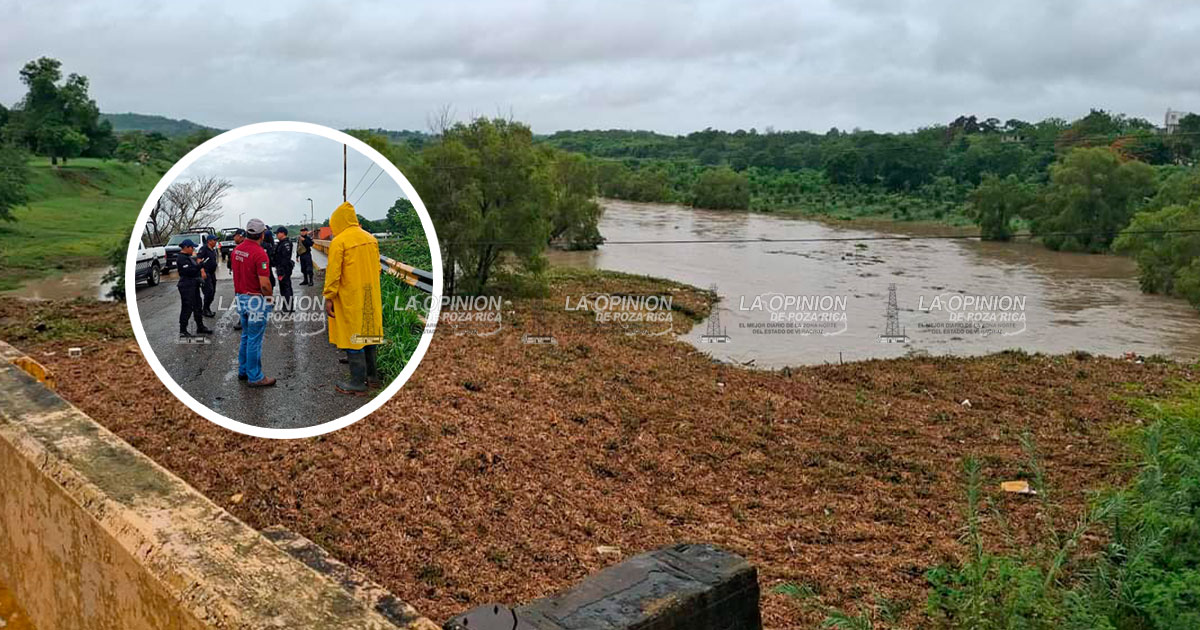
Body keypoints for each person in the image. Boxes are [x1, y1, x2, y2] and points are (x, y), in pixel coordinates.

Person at [323, 202, 382, 394]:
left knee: (352, 336)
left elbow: (333, 274)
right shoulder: (371, 239)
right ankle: (373, 378)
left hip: (350, 296)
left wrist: (329, 297)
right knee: (369, 331)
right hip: (370, 294)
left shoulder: (340, 242)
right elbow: (378, 269)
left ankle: (357, 382)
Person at [231, 219, 276, 387]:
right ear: (262, 234)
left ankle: (243, 371)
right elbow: (264, 284)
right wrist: (270, 299)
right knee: (255, 340)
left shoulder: (236, 250)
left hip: (241, 298)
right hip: (255, 300)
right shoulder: (259, 253)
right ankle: (255, 376)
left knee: (246, 336)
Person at [175, 239, 212, 337]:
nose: (193, 249)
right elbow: (189, 271)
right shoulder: (181, 258)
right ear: (186, 247)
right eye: (192, 247)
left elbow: (194, 270)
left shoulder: (189, 257)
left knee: (198, 306)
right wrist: (200, 266)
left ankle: (200, 326)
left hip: (193, 285)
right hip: (186, 286)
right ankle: (183, 330)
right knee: (187, 308)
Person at [197, 234, 219, 317]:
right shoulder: (204, 249)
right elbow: (198, 259)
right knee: (208, 291)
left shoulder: (213, 250)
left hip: (212, 273)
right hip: (206, 273)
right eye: (214, 240)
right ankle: (205, 309)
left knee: (213, 291)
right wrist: (202, 271)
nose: (216, 242)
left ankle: (207, 308)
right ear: (209, 241)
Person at [273, 226, 294, 313]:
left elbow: (285, 258)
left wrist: (281, 271)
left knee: (285, 288)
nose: (277, 235)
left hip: (284, 269)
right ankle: (288, 307)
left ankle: (287, 308)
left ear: (282, 233)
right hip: (282, 268)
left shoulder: (285, 244)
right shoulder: (282, 243)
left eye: (277, 233)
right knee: (285, 288)